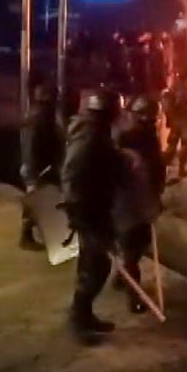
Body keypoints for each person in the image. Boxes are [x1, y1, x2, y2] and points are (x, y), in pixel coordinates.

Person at [61, 89, 123, 344]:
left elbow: (100, 161)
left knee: (96, 262)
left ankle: (85, 314)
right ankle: (78, 321)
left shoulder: (96, 129)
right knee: (94, 266)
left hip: (96, 205)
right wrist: (76, 209)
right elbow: (74, 171)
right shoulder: (89, 133)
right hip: (88, 208)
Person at [112, 95, 165, 314]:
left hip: (140, 198)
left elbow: (155, 166)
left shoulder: (144, 134)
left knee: (134, 245)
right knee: (132, 247)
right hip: (130, 200)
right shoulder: (127, 138)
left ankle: (121, 277)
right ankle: (133, 297)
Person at [19, 84, 63, 250]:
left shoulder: (44, 116)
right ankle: (26, 236)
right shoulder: (38, 118)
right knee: (36, 202)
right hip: (39, 168)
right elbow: (30, 147)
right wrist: (32, 174)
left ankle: (38, 235)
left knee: (46, 202)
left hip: (46, 166)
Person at [162, 71, 187, 179]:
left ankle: (162, 168)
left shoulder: (174, 84)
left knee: (172, 144)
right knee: (185, 143)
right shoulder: (182, 85)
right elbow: (181, 100)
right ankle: (181, 169)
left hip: (175, 119)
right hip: (182, 119)